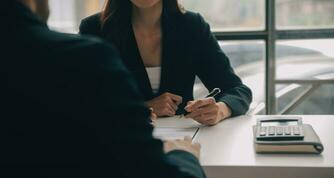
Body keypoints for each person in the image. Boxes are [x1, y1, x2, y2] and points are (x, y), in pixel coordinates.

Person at [0, 0, 208, 178]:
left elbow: (232, 85)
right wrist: (184, 156)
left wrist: (222, 107)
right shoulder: (84, 57)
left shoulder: (191, 25)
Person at [80, 0, 252, 126]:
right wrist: (143, 107)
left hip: (183, 141)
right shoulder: (95, 29)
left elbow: (237, 90)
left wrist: (220, 109)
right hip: (119, 143)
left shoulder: (192, 26)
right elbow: (83, 102)